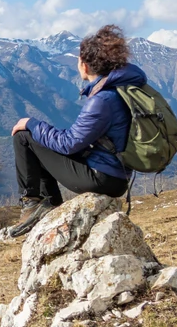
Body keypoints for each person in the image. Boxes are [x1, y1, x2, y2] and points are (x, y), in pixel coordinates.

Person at [9, 24, 146, 236]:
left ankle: (32, 205)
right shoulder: (120, 90)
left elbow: (69, 143)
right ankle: (49, 208)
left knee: (24, 136)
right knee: (42, 141)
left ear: (85, 64)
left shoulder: (103, 99)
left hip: (102, 177)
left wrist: (32, 124)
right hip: (116, 174)